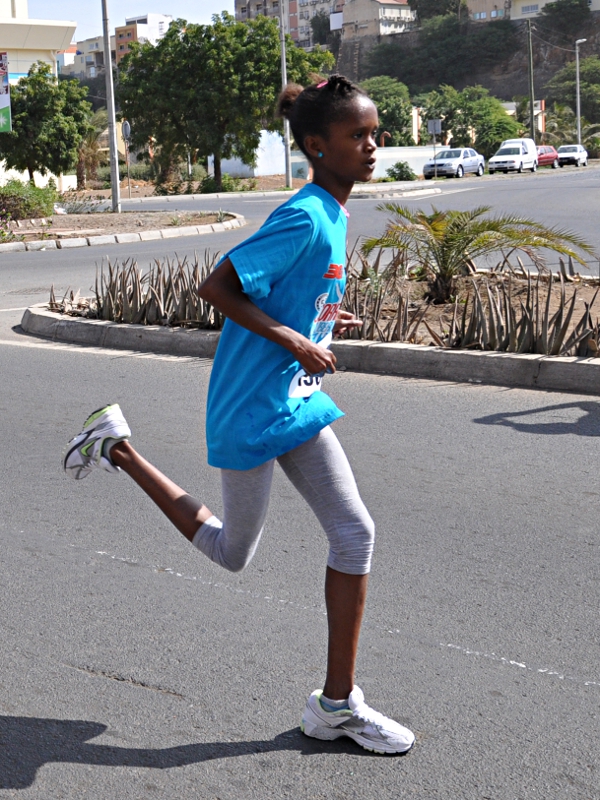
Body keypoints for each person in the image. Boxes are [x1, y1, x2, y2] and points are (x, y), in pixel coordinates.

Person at [63, 75, 415, 755]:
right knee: (232, 554)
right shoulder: (305, 215)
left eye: (375, 133)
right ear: (317, 146)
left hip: (293, 400)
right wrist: (297, 342)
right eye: (358, 135)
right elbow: (218, 287)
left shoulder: (334, 212)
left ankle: (335, 706)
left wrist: (323, 319)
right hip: (251, 406)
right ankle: (117, 446)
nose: (373, 146)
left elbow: (289, 292)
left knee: (355, 534)